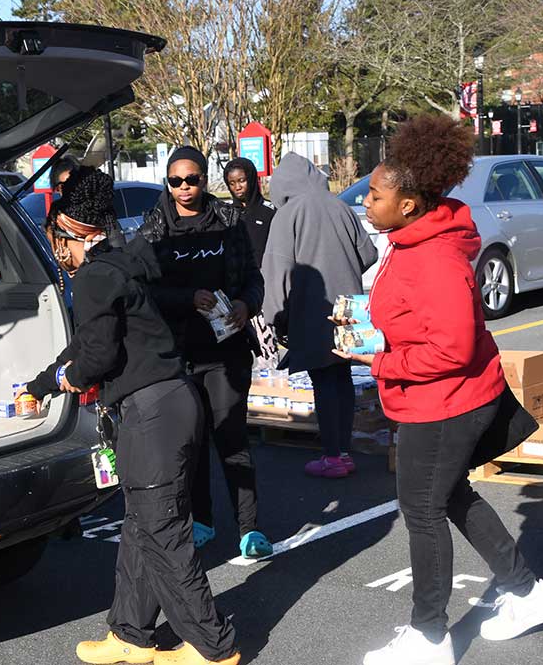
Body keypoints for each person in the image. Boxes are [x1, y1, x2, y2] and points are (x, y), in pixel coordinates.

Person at [334, 116, 543, 665]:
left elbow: (453, 350)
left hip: (446, 404)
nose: (366, 201)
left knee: (422, 510)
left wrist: (382, 358)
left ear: (409, 204)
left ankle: (429, 636)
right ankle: (529, 593)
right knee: (448, 495)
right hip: (436, 397)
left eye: (375, 194)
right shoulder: (414, 239)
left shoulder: (434, 257)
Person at [23, 166, 240, 665]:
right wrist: (40, 384)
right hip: (170, 404)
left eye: (59, 235)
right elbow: (88, 343)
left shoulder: (96, 276)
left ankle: (213, 648)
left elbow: (94, 359)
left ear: (74, 232)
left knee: (163, 530)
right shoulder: (124, 262)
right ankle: (130, 633)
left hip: (151, 413)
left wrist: (64, 380)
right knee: (143, 526)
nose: (58, 247)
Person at [140, 146, 272, 559]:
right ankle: (201, 520)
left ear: (203, 178)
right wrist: (185, 298)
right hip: (178, 354)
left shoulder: (229, 220)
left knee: (231, 438)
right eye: (176, 180)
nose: (184, 188)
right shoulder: (155, 226)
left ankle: (249, 528)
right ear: (167, 181)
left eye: (192, 179)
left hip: (227, 349)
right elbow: (144, 287)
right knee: (189, 443)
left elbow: (254, 278)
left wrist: (245, 306)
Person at [262, 152, 378, 479]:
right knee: (341, 378)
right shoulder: (339, 205)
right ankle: (344, 449)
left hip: (312, 309)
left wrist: (274, 315)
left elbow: (277, 272)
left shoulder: (288, 215)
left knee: (323, 380)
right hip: (349, 307)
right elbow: (368, 254)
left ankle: (333, 455)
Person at [224, 157, 279, 369]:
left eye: (242, 180)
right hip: (236, 292)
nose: (238, 187)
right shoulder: (227, 214)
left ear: (252, 180)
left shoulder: (269, 211)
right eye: (232, 183)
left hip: (264, 290)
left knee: (267, 353)